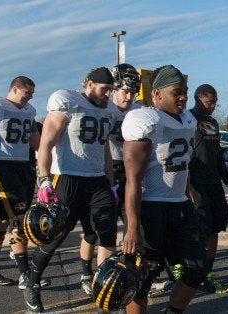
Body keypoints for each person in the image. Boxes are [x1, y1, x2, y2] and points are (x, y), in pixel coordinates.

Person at [22, 67, 118, 312]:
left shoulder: (108, 110)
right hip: (67, 179)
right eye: (103, 89)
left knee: (105, 235)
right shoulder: (68, 102)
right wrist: (43, 179)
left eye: (110, 90)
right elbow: (45, 143)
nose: (107, 94)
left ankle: (101, 289)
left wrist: (111, 183)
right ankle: (32, 282)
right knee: (54, 237)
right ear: (87, 84)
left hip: (97, 181)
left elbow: (104, 149)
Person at [121, 65, 209, 313]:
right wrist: (132, 226)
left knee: (198, 267)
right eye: (177, 92)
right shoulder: (144, 120)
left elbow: (184, 165)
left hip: (179, 204)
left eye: (185, 92)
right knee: (142, 280)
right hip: (151, 206)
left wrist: (188, 191)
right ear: (157, 93)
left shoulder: (189, 119)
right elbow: (133, 180)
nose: (183, 97)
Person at [0, 76, 48, 290]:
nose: (29, 98)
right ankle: (26, 275)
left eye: (32, 94)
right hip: (0, 166)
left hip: (23, 166)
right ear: (14, 89)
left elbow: (36, 142)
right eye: (27, 93)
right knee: (20, 217)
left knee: (4, 219)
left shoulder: (28, 111)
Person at [74, 63, 142, 296]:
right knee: (95, 230)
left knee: (133, 226)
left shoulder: (137, 112)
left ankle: (128, 273)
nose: (129, 96)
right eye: (125, 91)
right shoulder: (103, 109)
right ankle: (87, 273)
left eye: (133, 92)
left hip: (129, 171)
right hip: (105, 170)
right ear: (113, 90)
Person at [187, 83, 228, 294]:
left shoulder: (213, 123)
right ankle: (189, 272)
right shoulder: (187, 119)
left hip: (213, 184)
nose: (213, 106)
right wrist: (187, 187)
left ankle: (207, 273)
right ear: (198, 99)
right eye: (210, 102)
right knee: (199, 229)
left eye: (215, 102)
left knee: (216, 225)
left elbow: (218, 157)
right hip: (195, 184)